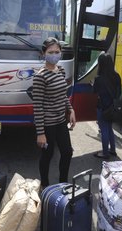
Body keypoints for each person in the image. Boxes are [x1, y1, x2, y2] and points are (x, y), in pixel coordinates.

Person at [32, 37, 76, 188]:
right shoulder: (40, 77)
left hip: (60, 122)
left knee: (67, 152)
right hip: (47, 125)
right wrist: (40, 133)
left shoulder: (61, 70)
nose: (54, 54)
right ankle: (45, 185)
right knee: (47, 155)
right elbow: (37, 106)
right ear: (43, 53)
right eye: (51, 52)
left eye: (57, 52)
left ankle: (63, 184)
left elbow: (63, 95)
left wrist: (70, 109)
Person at [93, 53, 121, 159]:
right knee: (109, 128)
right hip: (112, 108)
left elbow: (94, 91)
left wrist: (93, 84)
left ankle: (105, 153)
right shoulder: (117, 76)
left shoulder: (99, 78)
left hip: (102, 107)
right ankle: (112, 150)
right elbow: (118, 93)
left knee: (104, 129)